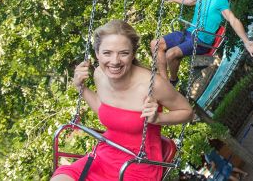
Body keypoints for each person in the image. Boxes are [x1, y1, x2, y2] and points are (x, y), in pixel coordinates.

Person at [51, 20, 193, 181]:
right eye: (107, 53)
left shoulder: (152, 84)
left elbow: (187, 112)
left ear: (133, 54)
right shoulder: (99, 75)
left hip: (138, 162)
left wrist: (158, 118)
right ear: (97, 53)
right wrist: (80, 88)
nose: (115, 61)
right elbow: (103, 109)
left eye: (123, 53)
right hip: (105, 153)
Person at [151, 0, 253, 85]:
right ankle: (164, 80)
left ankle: (172, 81)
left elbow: (233, 20)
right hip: (189, 33)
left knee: (171, 54)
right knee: (154, 44)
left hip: (202, 41)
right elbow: (191, 1)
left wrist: (246, 41)